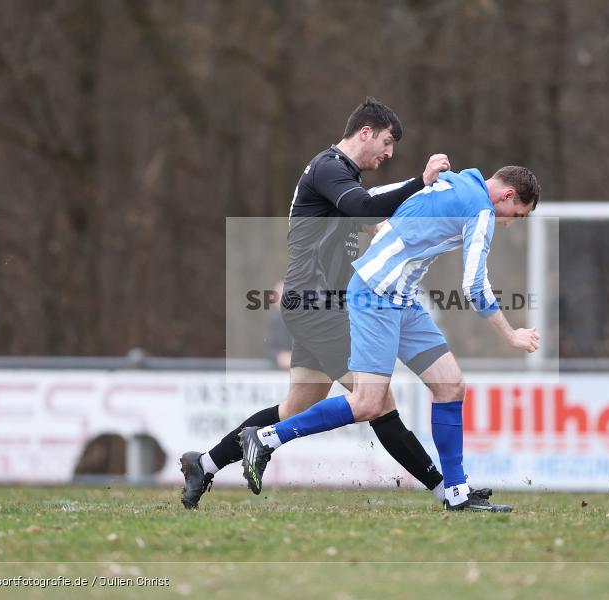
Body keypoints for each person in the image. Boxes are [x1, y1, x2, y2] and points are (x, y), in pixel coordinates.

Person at [180, 97, 486, 509]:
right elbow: (362, 206)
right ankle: (447, 491)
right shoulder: (329, 168)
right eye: (388, 141)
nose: (389, 153)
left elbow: (370, 216)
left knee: (297, 406)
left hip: (319, 304)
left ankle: (206, 463)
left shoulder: (344, 178)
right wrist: (421, 182)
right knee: (375, 401)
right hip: (316, 304)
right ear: (365, 132)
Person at [239, 165, 541, 512]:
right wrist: (510, 334)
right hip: (376, 295)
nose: (510, 222)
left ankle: (457, 493)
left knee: (450, 385)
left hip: (403, 298)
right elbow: (474, 286)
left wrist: (381, 227)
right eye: (516, 215)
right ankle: (265, 438)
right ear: (507, 196)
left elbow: (372, 198)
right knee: (368, 403)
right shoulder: (482, 210)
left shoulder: (451, 180)